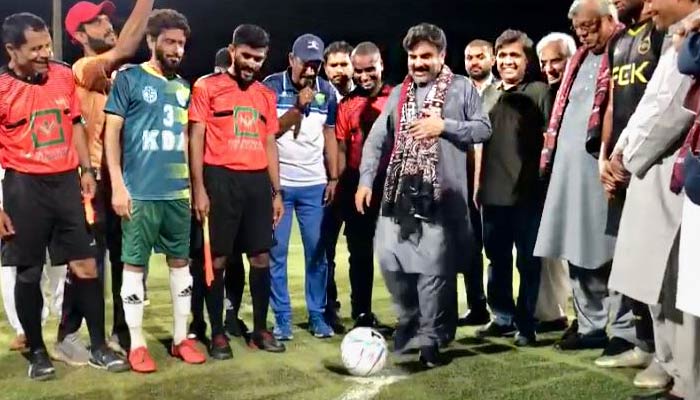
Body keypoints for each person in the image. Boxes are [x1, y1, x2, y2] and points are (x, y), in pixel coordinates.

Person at [0, 12, 128, 380]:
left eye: (47, 46)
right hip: (23, 187)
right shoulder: (3, 89)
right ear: (12, 49)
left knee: (86, 265)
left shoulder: (60, 75)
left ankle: (99, 346)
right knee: (29, 272)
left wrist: (86, 171)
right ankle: (37, 351)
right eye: (35, 48)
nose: (44, 53)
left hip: (65, 184)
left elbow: (74, 123)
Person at [356, 23, 491, 367]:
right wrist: (366, 180)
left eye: (426, 56)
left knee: (433, 272)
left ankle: (431, 337)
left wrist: (444, 126)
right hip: (401, 195)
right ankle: (414, 321)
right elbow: (376, 139)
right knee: (391, 261)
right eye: (413, 56)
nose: (417, 63)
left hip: (442, 198)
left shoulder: (461, 88)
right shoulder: (400, 94)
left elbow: (483, 128)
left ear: (442, 56)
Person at [104, 8, 207, 373]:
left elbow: (187, 141)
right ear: (151, 41)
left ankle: (181, 339)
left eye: (181, 43)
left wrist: (197, 189)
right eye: (170, 42)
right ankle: (136, 344)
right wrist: (117, 184)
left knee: (182, 266)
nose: (177, 50)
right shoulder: (129, 79)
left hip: (177, 195)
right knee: (134, 267)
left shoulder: (184, 87)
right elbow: (111, 134)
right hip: (140, 194)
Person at [608, 0, 700, 397]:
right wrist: (620, 153)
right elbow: (648, 106)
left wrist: (626, 159)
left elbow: (674, 109)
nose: (646, 9)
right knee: (655, 281)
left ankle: (688, 381)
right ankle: (675, 373)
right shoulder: (676, 37)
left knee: (678, 283)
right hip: (649, 167)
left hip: (672, 172)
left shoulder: (691, 36)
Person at [535, 0, 638, 355]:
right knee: (576, 250)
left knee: (612, 251)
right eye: (578, 29)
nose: (583, 34)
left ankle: (625, 330)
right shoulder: (578, 59)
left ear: (610, 19)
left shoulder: (628, 48)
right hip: (567, 172)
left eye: (589, 27)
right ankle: (591, 326)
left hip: (604, 169)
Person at [64, 0, 154, 357]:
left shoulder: (120, 75)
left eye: (106, 17)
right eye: (95, 21)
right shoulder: (83, 67)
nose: (106, 23)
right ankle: (69, 333)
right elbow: (128, 46)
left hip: (122, 179)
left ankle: (122, 331)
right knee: (89, 264)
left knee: (125, 259)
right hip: (92, 180)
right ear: (79, 34)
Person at [190, 24, 285, 358]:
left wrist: (277, 191)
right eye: (245, 56)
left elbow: (269, 143)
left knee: (261, 256)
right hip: (220, 180)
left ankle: (260, 328)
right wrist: (199, 187)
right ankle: (217, 333)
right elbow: (196, 138)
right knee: (217, 258)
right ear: (232, 51)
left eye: (258, 59)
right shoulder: (207, 87)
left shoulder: (265, 95)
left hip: (257, 182)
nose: (251, 64)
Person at [592, 0, 662, 374]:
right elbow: (612, 104)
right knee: (630, 256)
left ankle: (667, 355)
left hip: (654, 160)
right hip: (621, 162)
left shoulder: (662, 30)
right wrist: (605, 156)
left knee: (657, 259)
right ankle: (644, 342)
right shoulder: (619, 42)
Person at [475, 29, 552, 347]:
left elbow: (551, 141)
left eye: (514, 55)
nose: (508, 61)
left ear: (527, 60)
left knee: (528, 262)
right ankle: (502, 317)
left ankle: (526, 324)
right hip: (491, 193)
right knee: (496, 259)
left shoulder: (539, 91)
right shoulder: (488, 94)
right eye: (503, 55)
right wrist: (477, 185)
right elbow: (478, 145)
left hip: (527, 193)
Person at [262, 34, 339, 341]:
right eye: (305, 63)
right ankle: (282, 318)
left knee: (317, 254)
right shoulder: (269, 87)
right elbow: (268, 133)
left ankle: (317, 315)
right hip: (279, 186)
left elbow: (330, 134)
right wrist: (296, 108)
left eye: (316, 64)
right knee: (276, 253)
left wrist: (333, 177)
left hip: (314, 185)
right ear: (291, 60)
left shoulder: (327, 91)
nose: (310, 70)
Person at [188, 47, 249, 342]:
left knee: (231, 258)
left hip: (232, 188)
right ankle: (199, 319)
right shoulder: (203, 92)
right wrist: (197, 186)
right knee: (203, 258)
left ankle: (229, 314)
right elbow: (194, 140)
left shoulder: (243, 95)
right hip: (207, 187)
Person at [334, 41, 393, 335]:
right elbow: (343, 150)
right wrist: (342, 184)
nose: (363, 76)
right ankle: (362, 312)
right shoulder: (347, 105)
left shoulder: (397, 98)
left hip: (393, 184)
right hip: (358, 184)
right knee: (359, 252)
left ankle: (411, 312)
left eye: (370, 69)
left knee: (402, 251)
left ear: (381, 64)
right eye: (358, 71)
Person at [534, 32, 578, 333]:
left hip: (579, 181)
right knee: (552, 254)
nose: (550, 68)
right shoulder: (546, 93)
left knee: (582, 254)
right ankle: (556, 313)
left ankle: (594, 321)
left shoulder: (582, 89)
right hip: (548, 184)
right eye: (544, 62)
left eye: (557, 60)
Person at [456, 39, 494, 327]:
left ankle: (504, 310)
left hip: (495, 183)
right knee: (469, 247)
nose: (474, 62)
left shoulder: (499, 91)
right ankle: (477, 305)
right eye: (469, 57)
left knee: (496, 248)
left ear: (491, 58)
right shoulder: (459, 92)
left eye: (480, 56)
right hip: (464, 182)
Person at [321, 40, 354, 332]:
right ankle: (329, 308)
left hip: (357, 187)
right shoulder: (321, 98)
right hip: (328, 187)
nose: (340, 70)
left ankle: (362, 310)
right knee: (326, 251)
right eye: (334, 65)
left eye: (345, 64)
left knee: (361, 250)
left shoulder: (364, 96)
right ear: (325, 67)